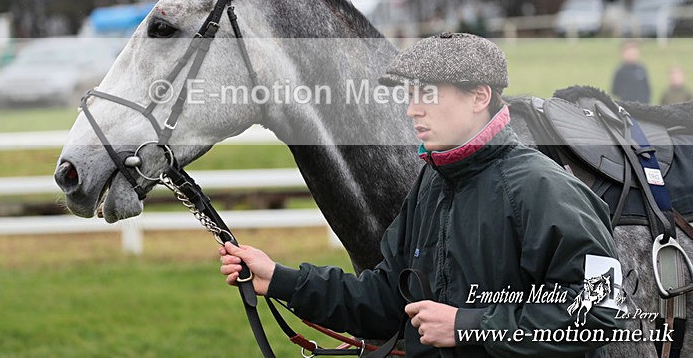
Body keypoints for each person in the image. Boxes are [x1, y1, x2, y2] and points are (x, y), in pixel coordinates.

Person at [219, 32, 623, 357]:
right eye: (411, 96)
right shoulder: (430, 185)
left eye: (427, 94)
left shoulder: (546, 189)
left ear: (479, 97)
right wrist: (281, 280)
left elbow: (601, 312)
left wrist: (467, 326)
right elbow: (385, 299)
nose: (412, 110)